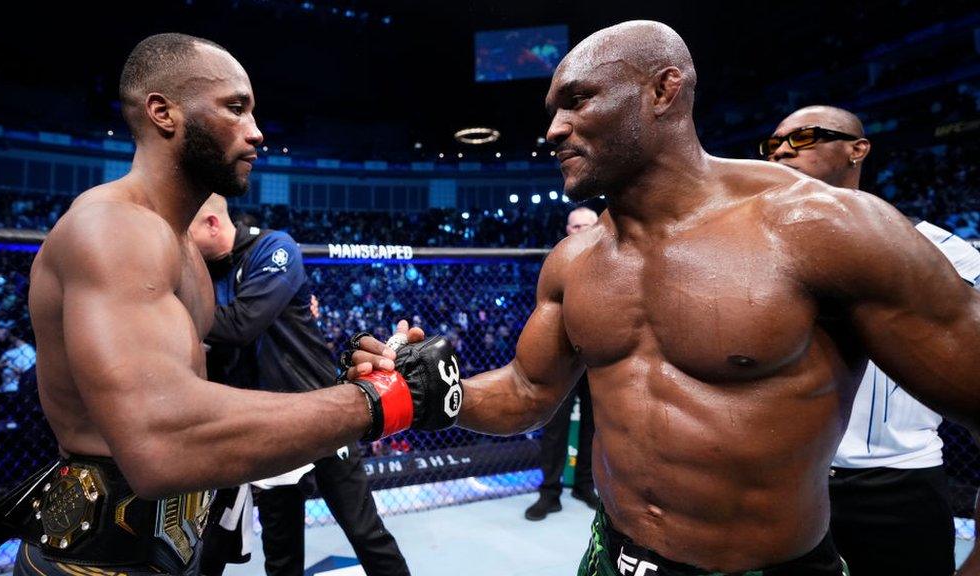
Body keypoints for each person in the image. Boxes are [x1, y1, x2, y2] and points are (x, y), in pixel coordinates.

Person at [351, 21, 980, 575]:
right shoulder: (575, 258)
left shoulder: (820, 228)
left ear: (663, 90)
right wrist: (425, 391)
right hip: (611, 556)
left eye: (577, 100)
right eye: (552, 109)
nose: (552, 129)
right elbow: (527, 393)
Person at [0, 33, 457, 575]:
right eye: (235, 108)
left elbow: (198, 385)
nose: (255, 132)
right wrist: (379, 401)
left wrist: (356, 378)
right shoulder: (112, 228)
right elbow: (159, 439)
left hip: (173, 550)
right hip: (94, 564)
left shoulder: (182, 250)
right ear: (163, 113)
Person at [762, 105, 980, 576]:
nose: (781, 150)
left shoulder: (943, 253)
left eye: (804, 138)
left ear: (857, 149)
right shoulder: (754, 257)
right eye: (774, 142)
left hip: (899, 485)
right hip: (785, 484)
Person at [189, 194, 410, 576]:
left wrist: (172, 312)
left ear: (211, 223)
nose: (181, 243)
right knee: (281, 552)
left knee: (365, 533)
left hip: (320, 407)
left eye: (186, 231)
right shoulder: (204, 273)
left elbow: (241, 324)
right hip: (266, 422)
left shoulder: (274, 247)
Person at [525, 206, 599, 521]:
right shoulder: (557, 263)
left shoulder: (616, 261)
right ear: (567, 230)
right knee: (554, 427)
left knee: (594, 426)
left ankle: (585, 485)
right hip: (563, 356)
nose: (580, 231)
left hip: (598, 356)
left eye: (587, 225)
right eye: (575, 226)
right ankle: (549, 492)